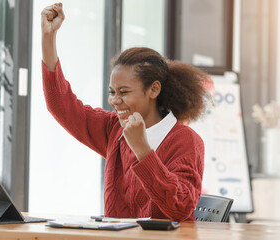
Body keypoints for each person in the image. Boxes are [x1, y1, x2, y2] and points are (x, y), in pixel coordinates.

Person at [41, 3, 208, 221]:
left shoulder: (186, 141)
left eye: (124, 92)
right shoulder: (114, 129)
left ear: (153, 89)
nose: (115, 101)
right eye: (112, 92)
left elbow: (180, 208)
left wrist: (142, 150)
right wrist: (48, 37)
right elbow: (62, 106)